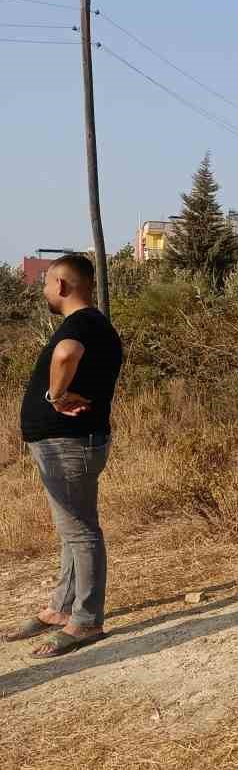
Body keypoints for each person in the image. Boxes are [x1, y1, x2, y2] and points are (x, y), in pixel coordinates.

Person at [6, 253, 124, 658]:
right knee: (72, 529)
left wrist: (54, 397)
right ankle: (61, 607)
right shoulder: (96, 325)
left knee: (81, 530)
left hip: (69, 443)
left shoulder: (81, 325)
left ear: (61, 285)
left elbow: (65, 354)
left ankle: (87, 620)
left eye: (45, 283)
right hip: (71, 443)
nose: (43, 291)